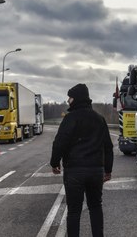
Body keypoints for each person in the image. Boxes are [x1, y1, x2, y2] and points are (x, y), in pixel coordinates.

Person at [50, 83, 114, 237]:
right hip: (95, 170)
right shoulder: (99, 119)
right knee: (95, 207)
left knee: (74, 211)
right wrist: (108, 169)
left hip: (74, 171)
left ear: (76, 98)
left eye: (70, 98)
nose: (68, 101)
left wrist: (54, 162)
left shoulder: (70, 118)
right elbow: (108, 146)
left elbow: (60, 142)